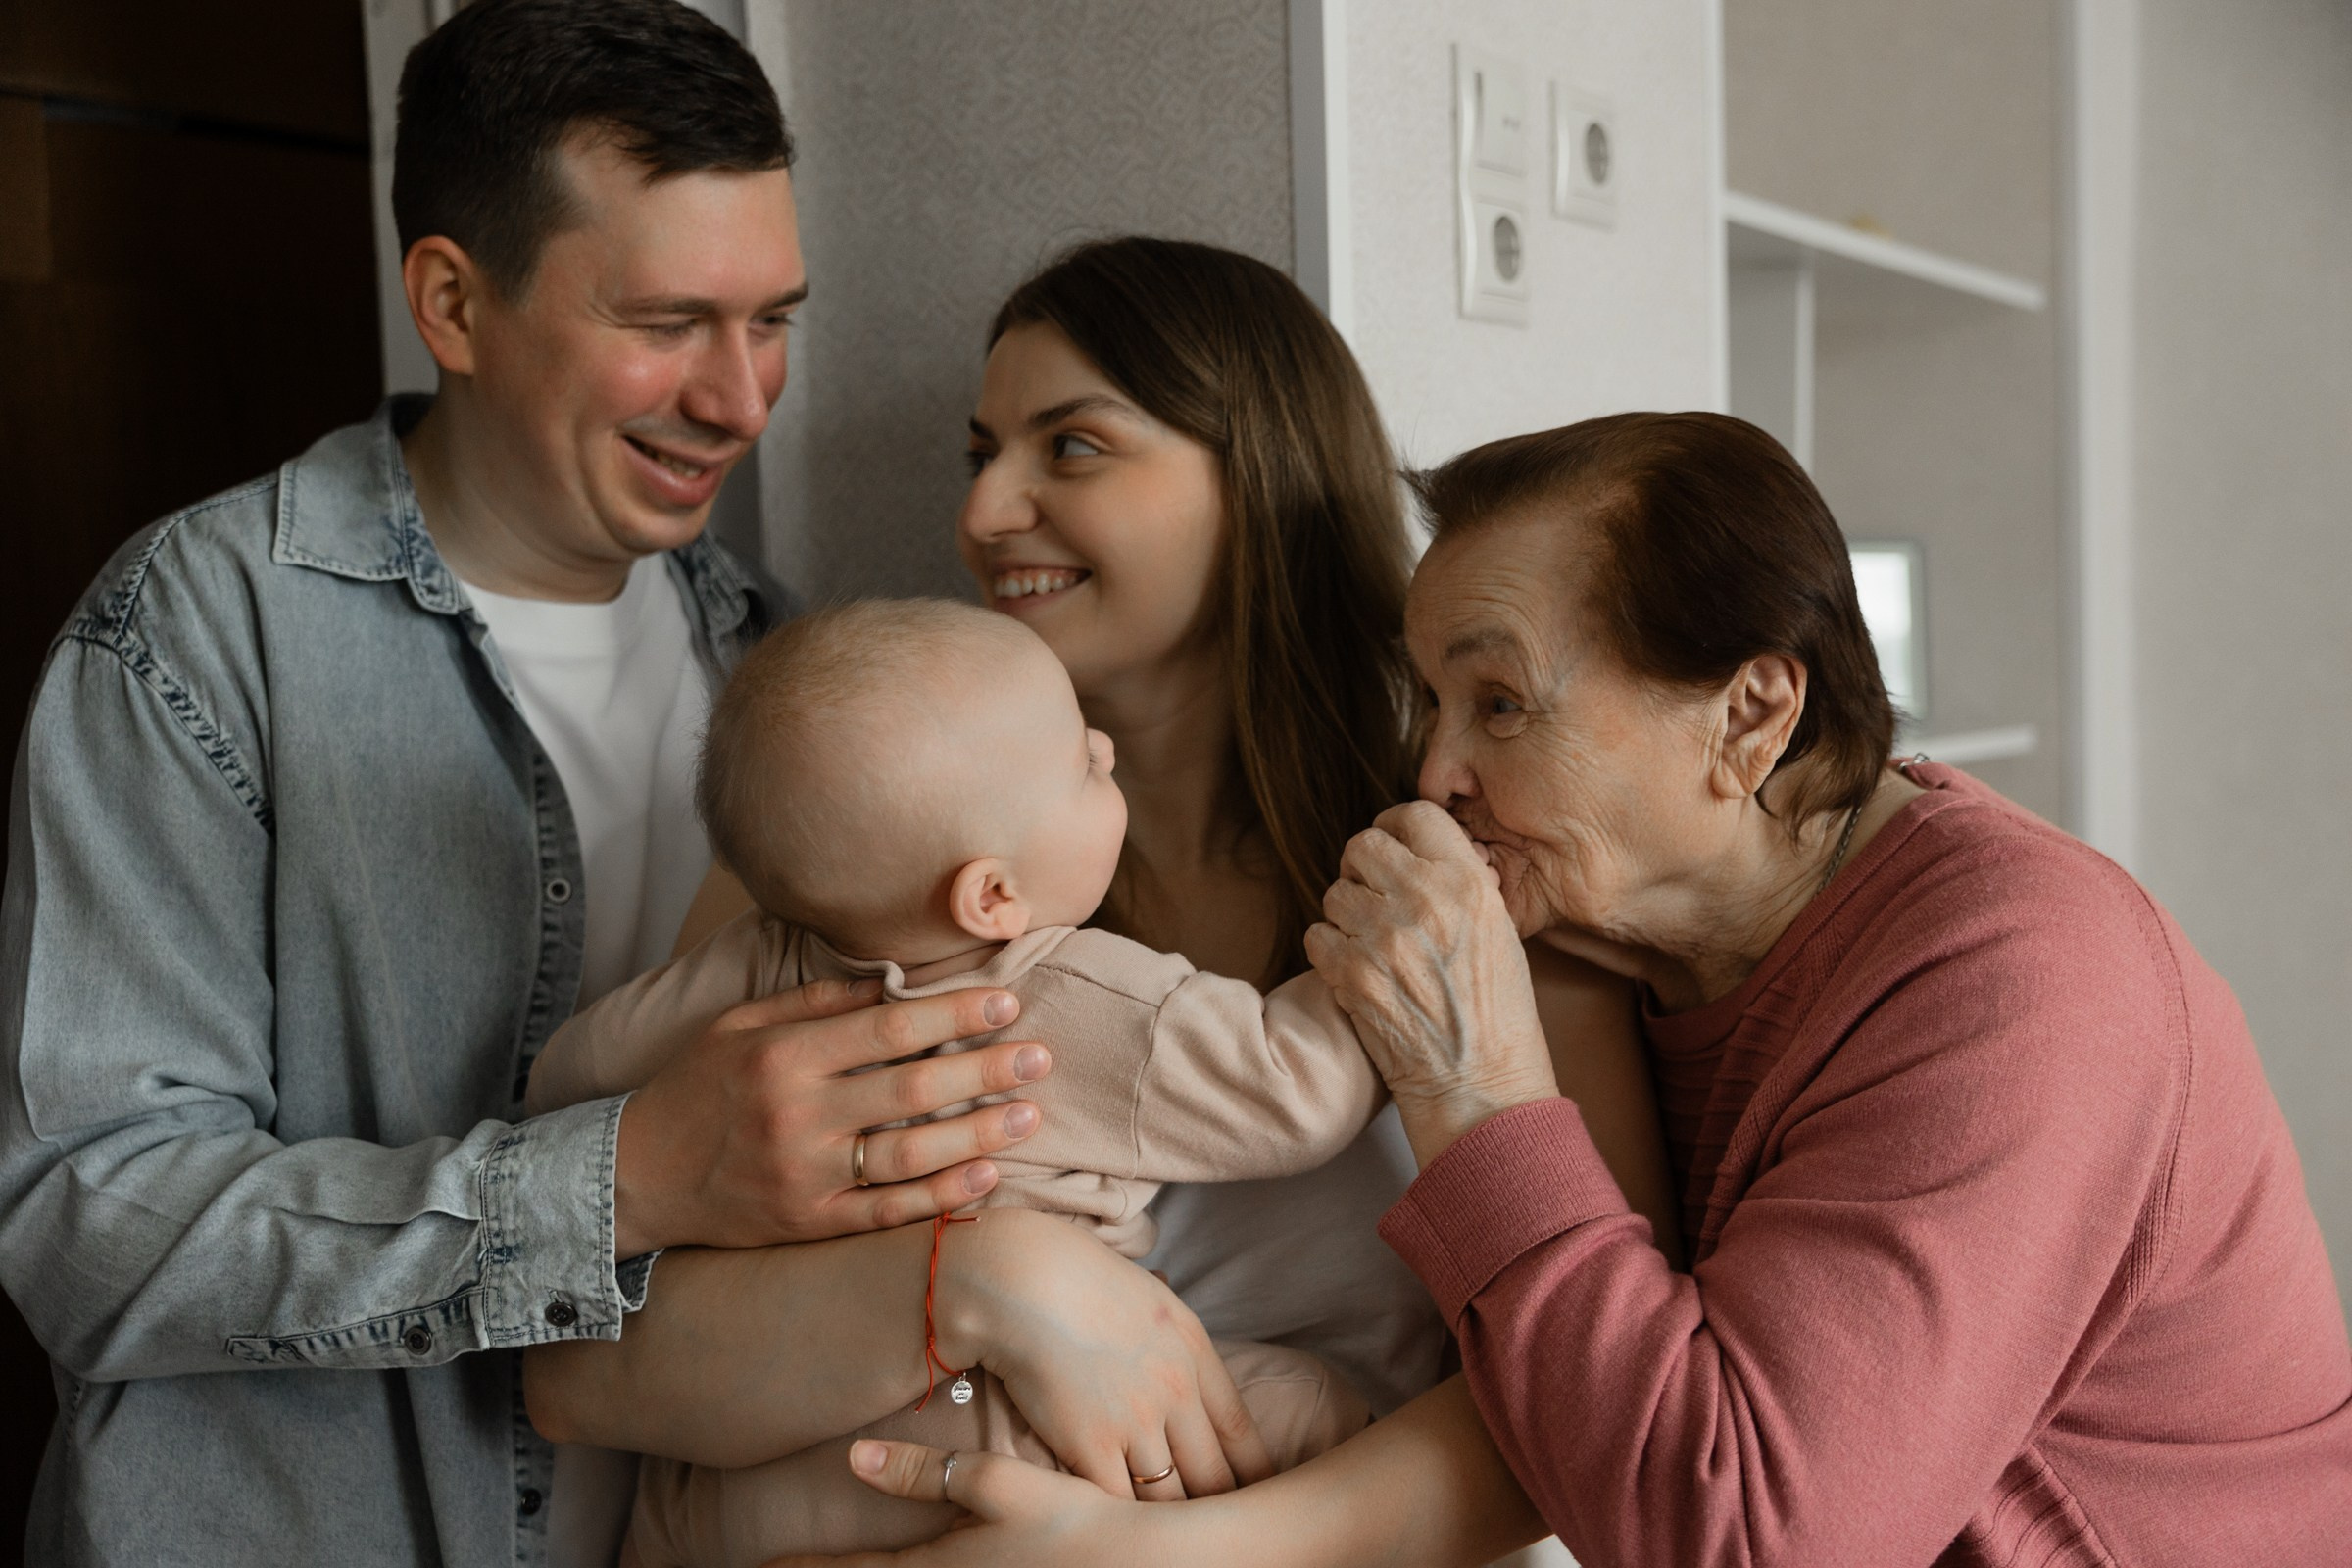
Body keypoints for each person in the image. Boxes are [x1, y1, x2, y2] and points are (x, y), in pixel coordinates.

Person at [810, 413, 2352, 1568]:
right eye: (1432, 701)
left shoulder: (2029, 980)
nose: (1434, 770)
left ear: (1749, 717)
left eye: (1501, 702)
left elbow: (1743, 1535)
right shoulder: (1620, 937)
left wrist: (1473, 1087)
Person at [0, 5, 1062, 1563]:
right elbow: (93, 1227)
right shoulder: (195, 633)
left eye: (773, 318)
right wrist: (624, 1177)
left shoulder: (787, 668)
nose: (742, 397)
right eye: (665, 319)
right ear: (451, 299)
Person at [522, 241, 1676, 1547]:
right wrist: (989, 1284)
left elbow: (1591, 1412)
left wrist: (1168, 1554)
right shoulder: (842, 870)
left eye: (1071, 447)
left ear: (1262, 478)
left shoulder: (1478, 880)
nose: (986, 510)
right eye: (982, 454)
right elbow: (581, 1368)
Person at [534, 598, 1396, 1563]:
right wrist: (1386, 944)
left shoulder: (748, 967)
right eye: (1082, 763)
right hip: (990, 1430)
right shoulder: (1073, 994)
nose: (1105, 751)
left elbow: (575, 1075)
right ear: (993, 897)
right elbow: (1296, 1091)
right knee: (1324, 1411)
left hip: (738, 1478)